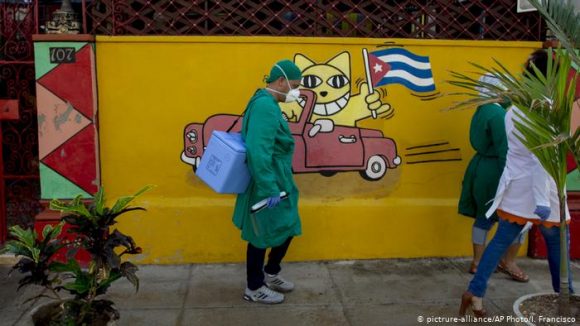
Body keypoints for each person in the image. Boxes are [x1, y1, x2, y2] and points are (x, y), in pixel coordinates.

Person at [460, 49, 574, 317]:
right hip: (542, 191)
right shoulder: (545, 111)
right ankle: (563, 301)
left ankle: (473, 293)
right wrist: (543, 202)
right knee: (559, 246)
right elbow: (541, 160)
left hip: (517, 189)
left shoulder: (514, 109)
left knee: (499, 242)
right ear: (553, 79)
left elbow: (516, 154)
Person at [232, 59, 303, 304]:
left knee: (287, 225)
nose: (296, 92)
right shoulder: (265, 107)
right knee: (260, 234)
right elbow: (258, 150)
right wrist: (269, 187)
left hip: (276, 177)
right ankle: (254, 287)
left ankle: (271, 272)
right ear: (280, 81)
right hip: (268, 180)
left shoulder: (267, 102)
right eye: (294, 85)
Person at [458, 74, 529, 282]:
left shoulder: (483, 109)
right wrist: (512, 176)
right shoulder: (497, 115)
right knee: (518, 217)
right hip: (497, 170)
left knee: (484, 217)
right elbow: (504, 149)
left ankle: (477, 261)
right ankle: (509, 262)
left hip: (481, 168)